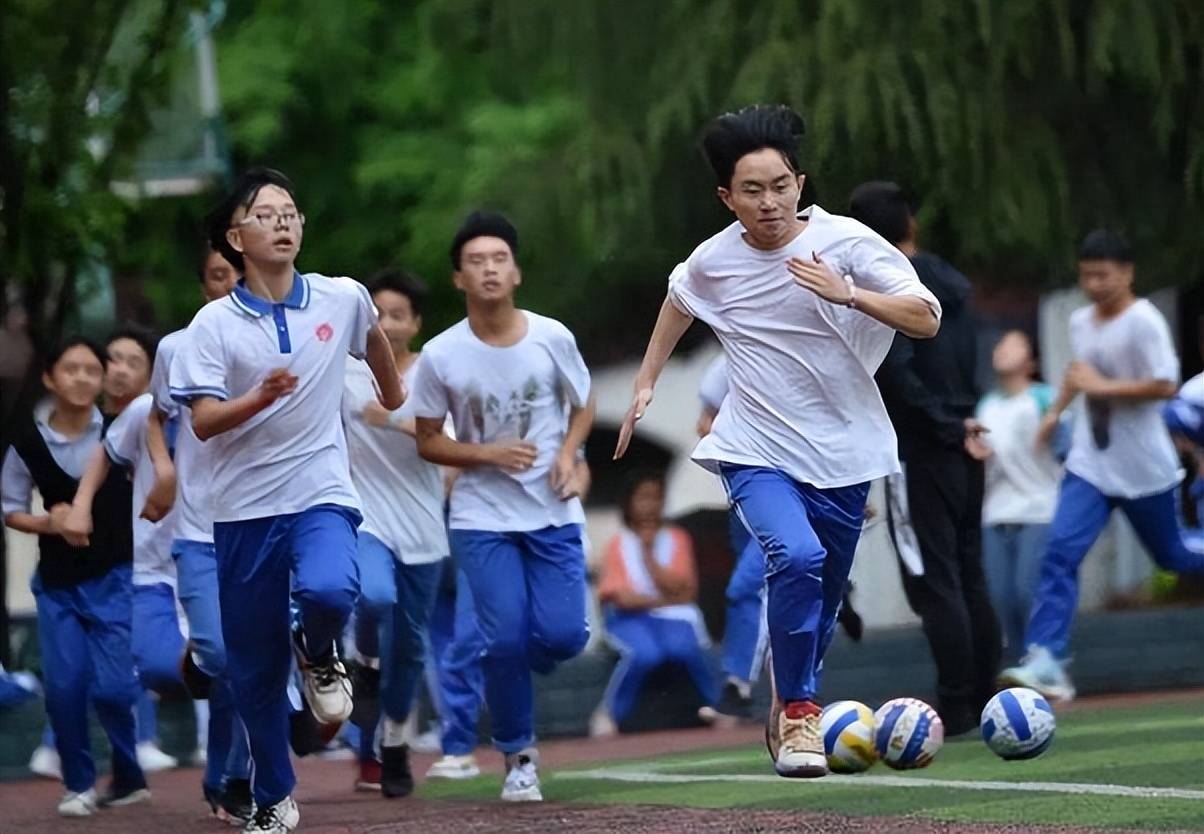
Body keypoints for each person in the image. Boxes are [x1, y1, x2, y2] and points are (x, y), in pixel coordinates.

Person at [616, 106, 940, 778]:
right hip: (754, 446)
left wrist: (849, 294)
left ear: (801, 181)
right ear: (727, 198)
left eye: (780, 185)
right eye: (753, 191)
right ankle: (798, 714)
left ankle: (790, 692)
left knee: (820, 600)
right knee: (795, 556)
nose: (769, 203)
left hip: (845, 451)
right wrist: (645, 382)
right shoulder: (715, 260)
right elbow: (679, 299)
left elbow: (926, 317)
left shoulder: (847, 243)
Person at [169, 167, 403, 833]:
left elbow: (376, 349)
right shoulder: (212, 325)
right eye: (265, 213)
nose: (282, 221)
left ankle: (320, 644)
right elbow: (206, 421)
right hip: (242, 511)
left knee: (331, 589)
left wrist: (390, 393)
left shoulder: (343, 297)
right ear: (235, 238)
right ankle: (275, 797)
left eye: (291, 212)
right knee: (254, 670)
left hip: (319, 491)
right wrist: (260, 397)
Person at [411, 210, 595, 801]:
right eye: (476, 262)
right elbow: (427, 439)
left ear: (515, 272)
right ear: (458, 279)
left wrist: (568, 453)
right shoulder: (442, 354)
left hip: (552, 512)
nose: (489, 270)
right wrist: (488, 454)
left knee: (563, 637)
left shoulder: (552, 336)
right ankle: (519, 756)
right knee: (503, 639)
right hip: (481, 518)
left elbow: (583, 405)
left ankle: (512, 668)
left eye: (499, 260)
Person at [1000, 230, 1204, 701]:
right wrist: (1055, 413)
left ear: (1127, 273)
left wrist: (1101, 387)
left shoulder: (1144, 321)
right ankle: (1046, 659)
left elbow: (1164, 385)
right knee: (1060, 554)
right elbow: (1078, 373)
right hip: (1091, 465)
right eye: (1087, 275)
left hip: (1144, 469)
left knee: (1172, 557)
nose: (1094, 284)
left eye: (1103, 275)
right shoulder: (1080, 322)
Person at [848, 180, 1001, 735]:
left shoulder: (888, 287)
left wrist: (942, 424)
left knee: (933, 578)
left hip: (921, 448)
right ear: (910, 226)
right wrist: (964, 421)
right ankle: (987, 693)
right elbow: (970, 361)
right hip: (967, 438)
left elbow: (896, 371)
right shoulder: (952, 284)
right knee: (970, 573)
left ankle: (957, 703)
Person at [2, 338, 146, 816]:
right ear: (50, 377)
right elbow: (10, 509)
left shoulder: (122, 433)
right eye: (72, 369)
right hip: (59, 585)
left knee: (115, 689)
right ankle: (79, 783)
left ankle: (128, 772)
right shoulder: (28, 441)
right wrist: (48, 522)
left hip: (117, 577)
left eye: (92, 369)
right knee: (64, 688)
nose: (83, 378)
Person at [144, 246, 252, 824]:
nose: (229, 283)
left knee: (246, 658)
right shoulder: (177, 348)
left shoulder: (282, 342)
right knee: (217, 652)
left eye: (238, 274)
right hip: (198, 527)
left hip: (262, 521)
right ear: (203, 285)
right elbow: (156, 419)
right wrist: (164, 469)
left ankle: (232, 774)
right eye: (217, 275)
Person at [342, 269, 448, 798]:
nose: (387, 322)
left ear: (416, 323)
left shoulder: (433, 370)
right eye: (378, 313)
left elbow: (448, 440)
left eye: (398, 314)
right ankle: (361, 658)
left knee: (409, 649)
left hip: (425, 525)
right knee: (374, 596)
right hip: (366, 516)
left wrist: (387, 420)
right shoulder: (342, 372)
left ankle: (396, 744)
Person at [591, 471, 716, 735]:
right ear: (629, 503)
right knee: (646, 654)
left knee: (684, 649)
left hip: (671, 618)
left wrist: (649, 557)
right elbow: (621, 597)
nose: (650, 506)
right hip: (628, 620)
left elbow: (687, 591)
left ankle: (716, 707)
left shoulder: (677, 538)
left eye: (656, 498)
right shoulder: (618, 544)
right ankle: (610, 713)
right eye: (643, 498)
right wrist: (663, 597)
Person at [975, 331, 1063, 663]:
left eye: (1015, 344)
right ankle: (1014, 669)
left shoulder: (1044, 398)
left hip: (1038, 509)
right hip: (995, 511)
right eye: (1001, 342)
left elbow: (1065, 447)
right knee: (1000, 598)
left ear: (1031, 361)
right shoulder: (987, 406)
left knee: (1029, 593)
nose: (1004, 349)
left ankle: (1044, 664)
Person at [696, 354, 766, 718]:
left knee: (747, 587)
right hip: (745, 495)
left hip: (790, 493)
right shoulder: (726, 364)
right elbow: (703, 424)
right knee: (761, 590)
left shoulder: (798, 350)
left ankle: (739, 683)